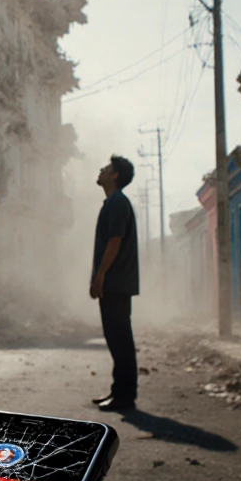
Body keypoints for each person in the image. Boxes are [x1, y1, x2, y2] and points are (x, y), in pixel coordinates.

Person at [89, 155, 139, 412]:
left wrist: (100, 276)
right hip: (114, 282)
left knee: (120, 338)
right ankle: (119, 390)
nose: (101, 170)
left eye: (106, 168)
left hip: (117, 283)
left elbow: (115, 242)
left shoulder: (118, 203)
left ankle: (125, 395)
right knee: (115, 337)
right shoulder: (112, 203)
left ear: (115, 175)